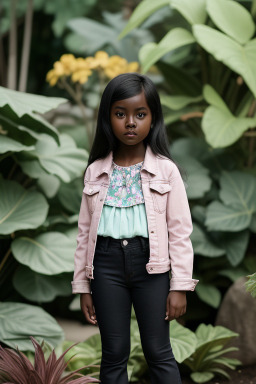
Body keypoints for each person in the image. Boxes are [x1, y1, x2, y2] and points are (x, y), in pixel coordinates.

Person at [71, 72, 199, 384]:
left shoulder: (166, 171)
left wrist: (179, 285)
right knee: (114, 352)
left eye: (140, 114)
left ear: (153, 119)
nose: (131, 122)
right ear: (107, 118)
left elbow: (180, 232)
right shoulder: (96, 172)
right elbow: (84, 234)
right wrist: (82, 286)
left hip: (151, 268)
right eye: (120, 114)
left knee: (158, 351)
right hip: (105, 267)